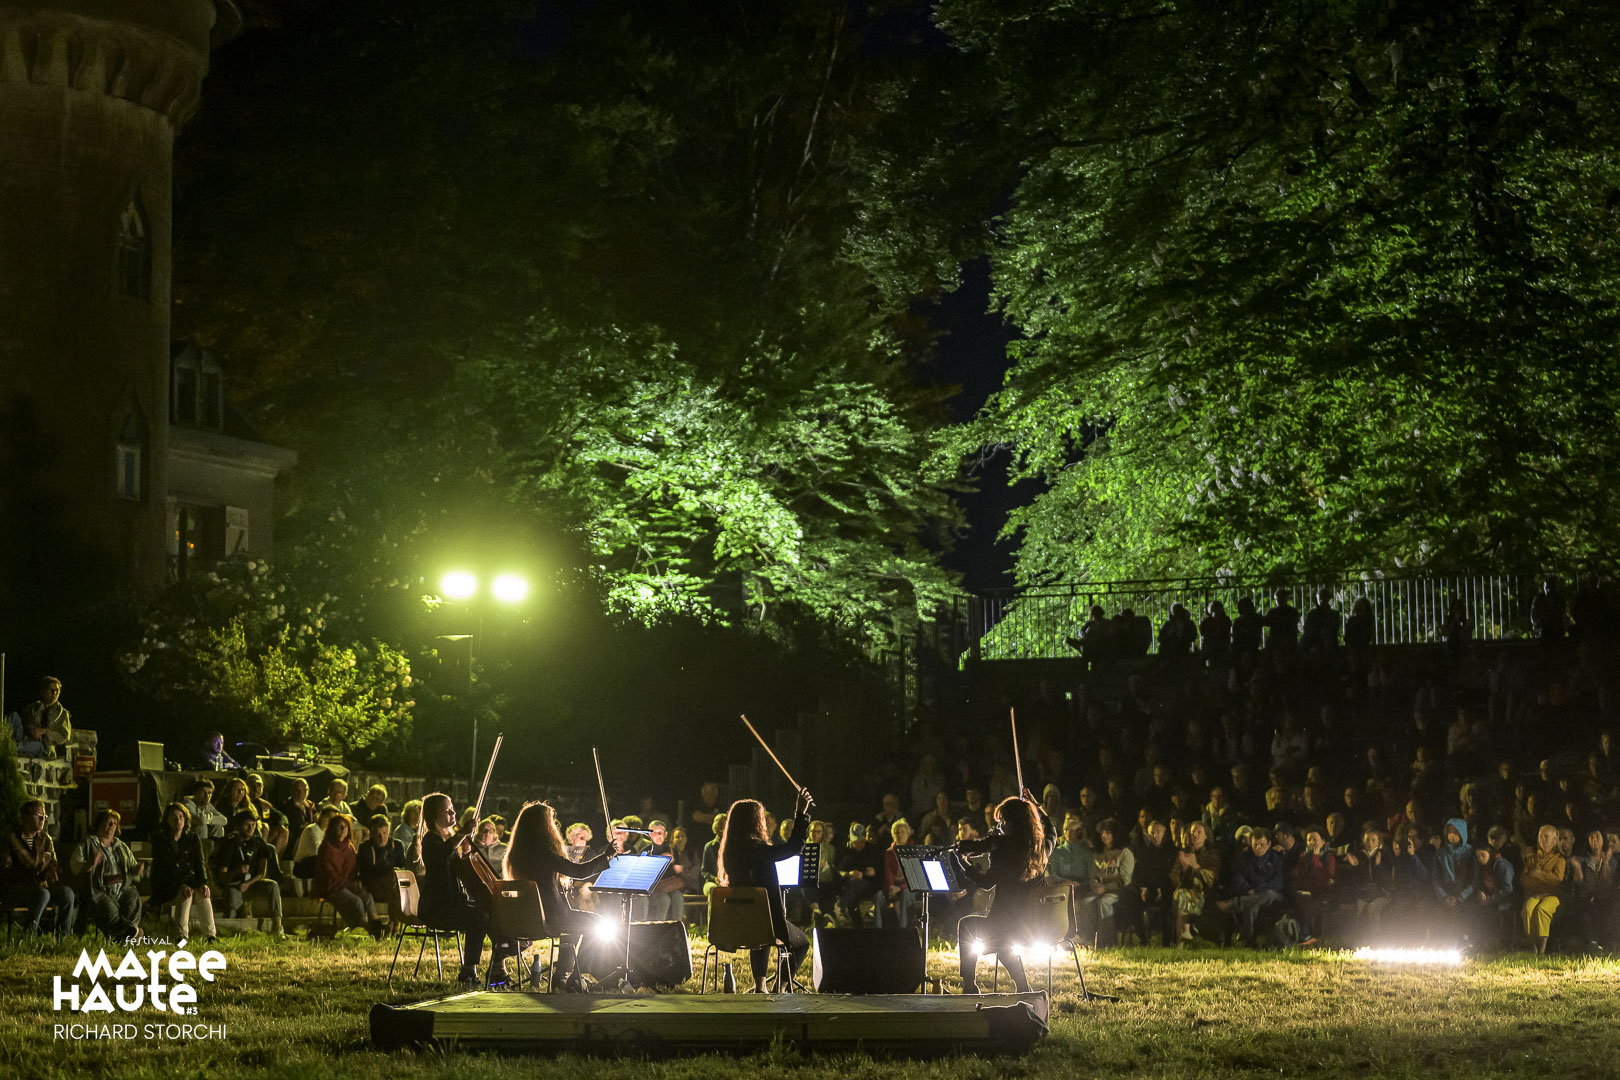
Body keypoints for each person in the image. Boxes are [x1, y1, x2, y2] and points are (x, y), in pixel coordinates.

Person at [504, 800, 620, 985]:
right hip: (552, 917)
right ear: (543, 827)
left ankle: (563, 975)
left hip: (528, 917)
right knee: (600, 923)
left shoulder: (517, 854)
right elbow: (579, 871)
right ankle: (576, 973)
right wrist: (606, 856)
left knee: (576, 925)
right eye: (550, 821)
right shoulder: (544, 853)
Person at [953, 788, 1055, 994]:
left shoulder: (1006, 849)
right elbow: (1052, 829)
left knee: (967, 926)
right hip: (1034, 925)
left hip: (1008, 924)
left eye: (1003, 822)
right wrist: (1036, 806)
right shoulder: (1042, 847)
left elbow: (985, 883)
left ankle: (969, 985)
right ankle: (1023, 986)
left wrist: (964, 862)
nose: (1000, 827)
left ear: (1013, 823)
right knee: (1002, 939)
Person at [718, 787, 815, 993]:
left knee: (759, 932)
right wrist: (800, 813)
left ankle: (760, 985)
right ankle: (780, 986)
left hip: (738, 922)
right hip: (766, 923)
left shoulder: (730, 851)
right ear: (755, 822)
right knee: (801, 943)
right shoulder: (757, 849)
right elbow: (793, 847)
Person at [418, 791, 495, 982]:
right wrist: (462, 834)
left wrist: (466, 851)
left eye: (452, 809)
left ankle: (498, 964)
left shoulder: (450, 841)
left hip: (453, 903)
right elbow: (441, 854)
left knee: (491, 912)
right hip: (437, 908)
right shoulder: (431, 840)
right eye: (447, 811)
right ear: (434, 816)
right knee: (479, 917)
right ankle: (469, 969)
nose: (453, 814)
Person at [4, 799, 75, 936]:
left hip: (41, 885)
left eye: (44, 815)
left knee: (67, 893)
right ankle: (29, 936)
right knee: (43, 894)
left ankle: (63, 937)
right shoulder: (11, 840)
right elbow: (6, 871)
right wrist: (35, 869)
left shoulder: (45, 839)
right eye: (38, 815)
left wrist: (50, 872)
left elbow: (53, 864)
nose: (43, 819)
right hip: (18, 889)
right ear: (25, 817)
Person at [70, 810, 142, 941]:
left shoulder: (122, 846)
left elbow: (133, 868)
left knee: (133, 896)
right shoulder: (88, 843)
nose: (111, 826)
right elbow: (75, 866)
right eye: (108, 822)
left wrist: (137, 870)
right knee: (107, 907)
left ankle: (128, 932)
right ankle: (130, 935)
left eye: (114, 823)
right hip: (99, 890)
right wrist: (91, 863)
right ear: (99, 824)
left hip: (122, 889)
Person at [150, 802, 216, 941]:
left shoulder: (192, 839)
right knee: (185, 894)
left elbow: (199, 864)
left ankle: (210, 935)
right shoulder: (160, 840)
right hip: (167, 884)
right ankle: (181, 936)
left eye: (181, 817)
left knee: (203, 894)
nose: (178, 821)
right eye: (174, 817)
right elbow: (164, 868)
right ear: (167, 820)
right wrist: (180, 885)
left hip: (188, 881)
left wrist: (203, 883)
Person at [214, 809, 284, 935]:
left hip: (252, 883)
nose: (251, 828)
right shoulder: (230, 844)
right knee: (232, 902)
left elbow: (262, 872)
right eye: (247, 825)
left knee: (272, 885)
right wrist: (237, 871)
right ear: (239, 825)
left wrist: (249, 883)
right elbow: (221, 876)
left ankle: (277, 925)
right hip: (235, 885)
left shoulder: (258, 843)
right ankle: (242, 909)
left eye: (253, 825)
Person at [315, 815, 384, 940]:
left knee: (367, 897)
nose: (343, 830)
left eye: (345, 827)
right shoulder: (326, 846)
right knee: (356, 901)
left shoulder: (348, 847)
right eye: (339, 827)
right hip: (331, 886)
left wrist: (356, 881)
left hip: (346, 883)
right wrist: (346, 883)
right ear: (332, 828)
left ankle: (375, 924)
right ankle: (363, 928)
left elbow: (353, 869)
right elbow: (328, 873)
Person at [1171, 821, 1220, 944]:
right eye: (1193, 832)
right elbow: (1173, 875)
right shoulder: (1184, 853)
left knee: (1180, 897)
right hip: (1185, 891)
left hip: (1204, 893)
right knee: (1181, 895)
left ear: (1206, 836)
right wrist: (1184, 869)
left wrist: (1196, 867)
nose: (1195, 835)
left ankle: (1181, 942)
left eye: (1199, 832)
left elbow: (1212, 878)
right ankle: (1184, 936)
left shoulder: (1212, 854)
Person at [1522, 824, 1566, 954]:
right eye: (1540, 836)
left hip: (1552, 895)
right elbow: (1524, 879)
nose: (1543, 839)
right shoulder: (1532, 858)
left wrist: (1539, 875)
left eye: (1546, 836)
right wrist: (1542, 879)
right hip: (1535, 894)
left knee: (1542, 909)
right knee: (1528, 909)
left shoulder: (1559, 859)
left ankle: (1542, 949)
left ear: (1554, 840)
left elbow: (1557, 880)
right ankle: (1533, 946)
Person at [11, 677, 71, 757]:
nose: (54, 693)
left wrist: (44, 731)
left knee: (33, 745)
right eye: (51, 690)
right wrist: (32, 729)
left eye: (57, 690)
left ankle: (11, 747)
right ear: (43, 691)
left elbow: (63, 738)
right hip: (26, 738)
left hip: (43, 746)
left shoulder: (62, 713)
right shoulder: (34, 707)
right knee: (14, 715)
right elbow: (25, 722)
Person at [877, 819, 920, 930]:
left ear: (908, 834)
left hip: (908, 888)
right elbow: (888, 873)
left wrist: (900, 888)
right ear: (893, 835)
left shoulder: (913, 851)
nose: (900, 835)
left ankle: (903, 930)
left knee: (904, 895)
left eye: (903, 832)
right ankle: (878, 930)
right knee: (879, 896)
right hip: (893, 887)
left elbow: (913, 877)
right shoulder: (889, 852)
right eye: (897, 832)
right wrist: (891, 888)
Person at [358, 813, 409, 906]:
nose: (382, 838)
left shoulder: (397, 845)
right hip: (374, 884)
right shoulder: (365, 847)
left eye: (384, 833)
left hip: (393, 883)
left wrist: (397, 871)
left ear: (388, 831)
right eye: (378, 834)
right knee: (393, 890)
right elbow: (365, 873)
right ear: (371, 834)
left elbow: (402, 866)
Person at [838, 823, 883, 926]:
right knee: (851, 890)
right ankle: (857, 924)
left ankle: (839, 909)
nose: (859, 844)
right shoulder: (846, 851)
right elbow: (839, 870)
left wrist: (872, 872)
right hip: (850, 887)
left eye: (862, 841)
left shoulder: (873, 850)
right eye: (856, 842)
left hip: (870, 885)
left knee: (852, 887)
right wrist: (848, 874)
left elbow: (880, 871)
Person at [644, 819, 688, 922]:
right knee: (664, 899)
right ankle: (660, 927)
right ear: (649, 835)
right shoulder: (646, 851)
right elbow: (645, 875)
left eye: (660, 833)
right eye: (654, 833)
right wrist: (660, 862)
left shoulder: (672, 850)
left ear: (666, 834)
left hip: (669, 886)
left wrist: (672, 863)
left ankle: (677, 926)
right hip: (653, 889)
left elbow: (679, 871)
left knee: (678, 897)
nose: (658, 836)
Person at [281, 778, 317, 844]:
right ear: (292, 791)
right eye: (298, 790)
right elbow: (296, 829)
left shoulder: (311, 806)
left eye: (304, 790)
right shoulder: (288, 807)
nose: (301, 793)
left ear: (308, 791)